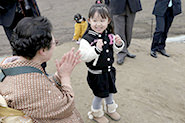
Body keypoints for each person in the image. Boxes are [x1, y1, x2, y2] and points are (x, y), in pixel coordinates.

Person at [0, 16, 84, 123]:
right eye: (55, 43)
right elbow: (66, 106)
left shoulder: (9, 64)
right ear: (43, 50)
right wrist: (65, 77)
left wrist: (58, 76)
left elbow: (42, 91)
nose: (55, 46)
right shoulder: (33, 85)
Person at [79, 4, 124, 123]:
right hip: (96, 74)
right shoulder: (87, 39)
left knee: (110, 91)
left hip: (109, 71)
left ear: (108, 21)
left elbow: (114, 50)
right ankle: (96, 113)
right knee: (99, 95)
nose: (98, 24)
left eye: (102, 20)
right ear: (89, 20)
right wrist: (96, 50)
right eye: (95, 21)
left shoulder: (108, 35)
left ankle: (110, 109)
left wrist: (118, 44)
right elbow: (84, 56)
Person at [109, 0, 142, 65]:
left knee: (128, 31)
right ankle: (121, 52)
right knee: (119, 31)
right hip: (116, 5)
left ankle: (125, 49)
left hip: (131, 5)